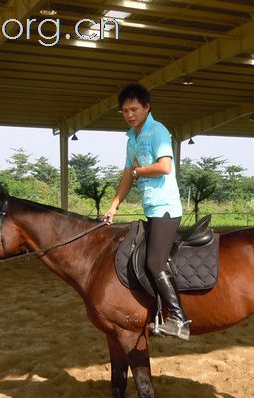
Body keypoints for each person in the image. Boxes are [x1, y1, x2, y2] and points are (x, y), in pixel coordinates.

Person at [104, 83, 190, 340]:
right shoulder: (132, 138)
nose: (130, 114)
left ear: (146, 107)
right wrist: (113, 206)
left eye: (134, 109)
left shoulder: (158, 131)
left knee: (154, 262)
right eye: (125, 111)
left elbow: (165, 167)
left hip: (166, 207)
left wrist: (139, 171)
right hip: (151, 208)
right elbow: (126, 175)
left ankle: (179, 319)